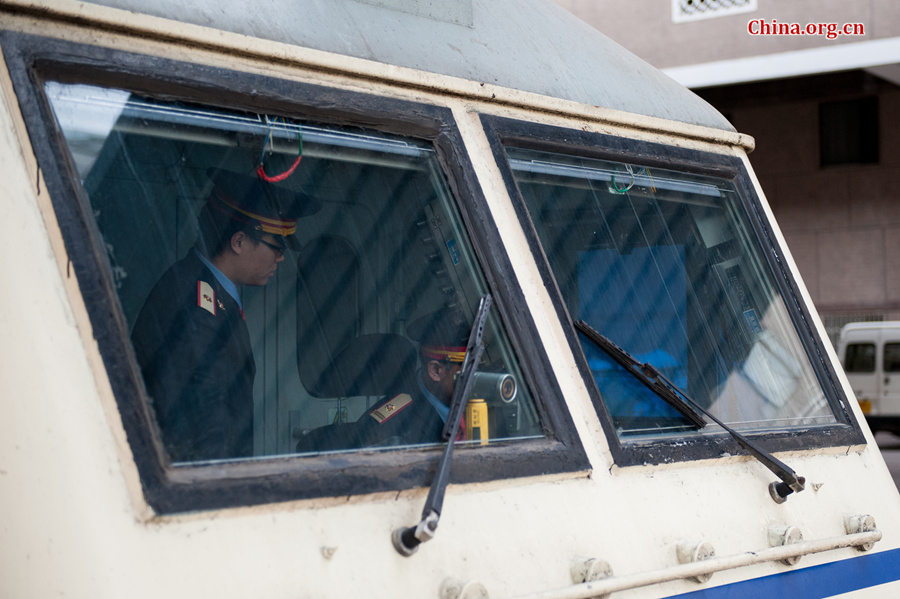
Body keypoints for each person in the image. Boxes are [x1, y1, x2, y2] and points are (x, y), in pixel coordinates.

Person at [131, 169, 319, 462]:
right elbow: (201, 421)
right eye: (276, 246)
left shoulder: (207, 291)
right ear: (239, 242)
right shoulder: (197, 307)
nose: (281, 258)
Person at [296, 315, 470, 451]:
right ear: (436, 371)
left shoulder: (477, 401)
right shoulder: (390, 430)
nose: (479, 376)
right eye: (468, 369)